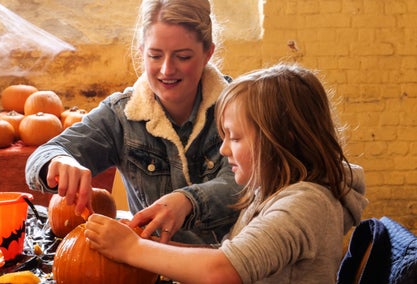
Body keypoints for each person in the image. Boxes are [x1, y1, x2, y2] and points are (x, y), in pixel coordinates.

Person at [84, 63, 369, 283]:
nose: (223, 150)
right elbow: (228, 256)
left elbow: (223, 271)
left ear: (282, 138)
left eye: (234, 137)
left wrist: (132, 249)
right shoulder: (274, 192)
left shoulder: (304, 205)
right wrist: (155, 250)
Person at [25, 0, 242, 245]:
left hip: (230, 267)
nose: (167, 69)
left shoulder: (241, 107)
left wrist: (188, 201)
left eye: (182, 56)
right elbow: (42, 155)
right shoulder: (121, 115)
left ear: (207, 54)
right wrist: (59, 160)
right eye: (155, 55)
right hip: (151, 269)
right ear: (141, 51)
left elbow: (243, 184)